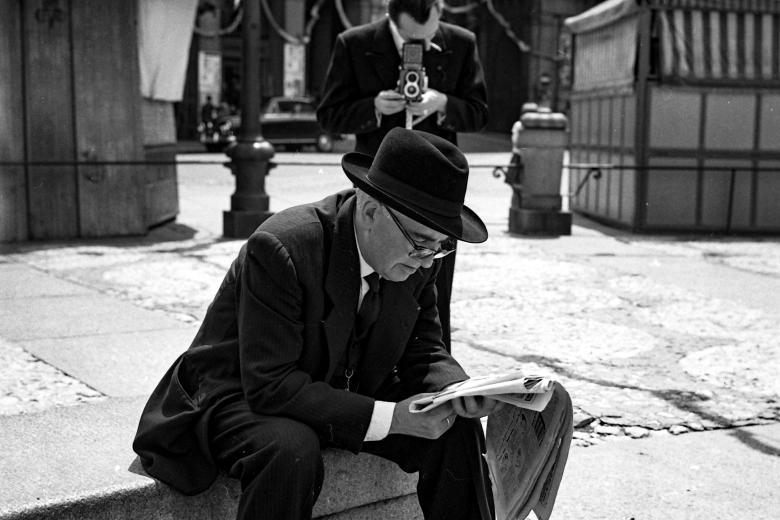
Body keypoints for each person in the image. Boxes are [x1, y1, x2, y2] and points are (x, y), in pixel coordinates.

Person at [133, 128, 502, 520]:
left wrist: (456, 392)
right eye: (421, 242)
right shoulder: (282, 246)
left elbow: (424, 348)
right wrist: (391, 418)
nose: (428, 260)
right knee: (291, 447)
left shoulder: (419, 258)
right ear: (371, 210)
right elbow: (270, 385)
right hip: (236, 393)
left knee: (456, 429)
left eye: (443, 245)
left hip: (340, 387)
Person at [316, 0, 489, 352]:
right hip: (378, 185)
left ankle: (431, 365)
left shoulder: (462, 42)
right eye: (410, 40)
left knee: (433, 289)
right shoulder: (354, 43)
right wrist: (373, 108)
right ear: (390, 17)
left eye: (427, 41)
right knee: (367, 278)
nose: (420, 48)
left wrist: (442, 104)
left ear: (441, 11)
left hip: (437, 192)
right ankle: (360, 364)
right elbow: (329, 115)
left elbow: (480, 113)